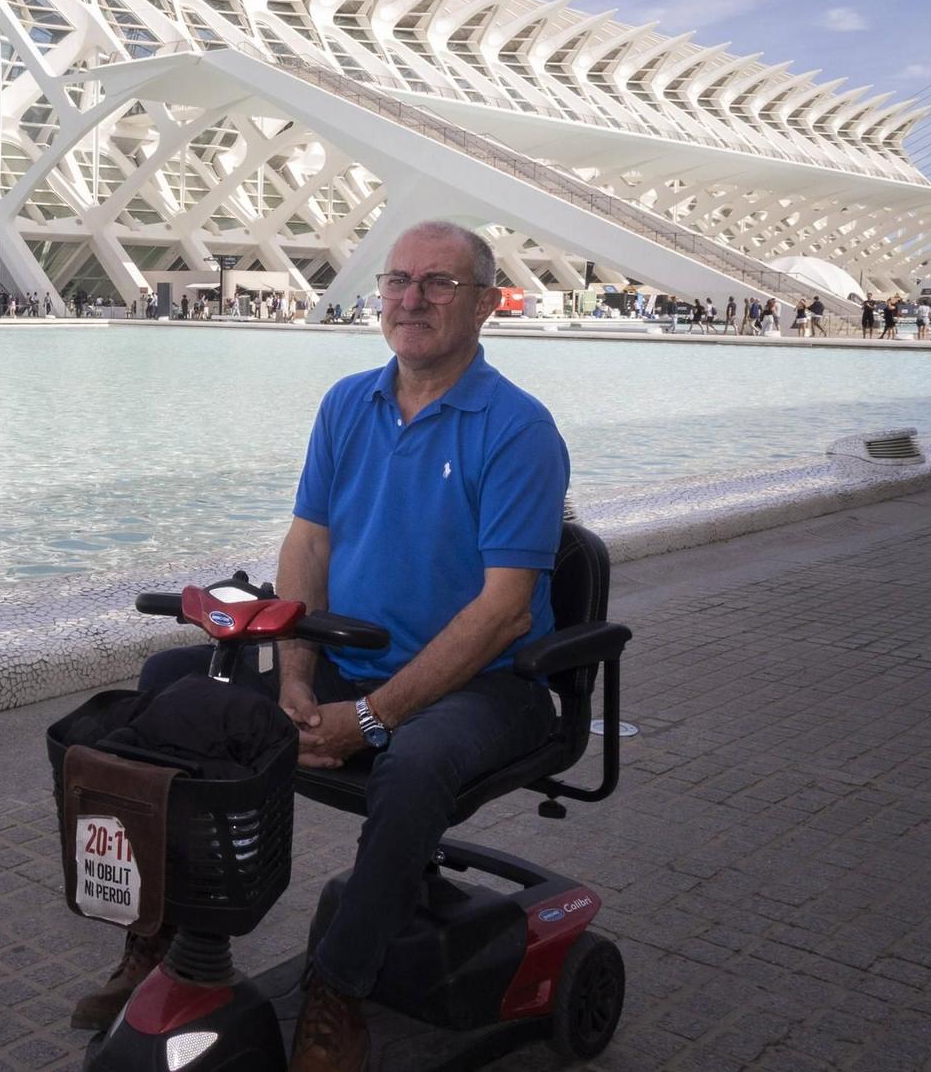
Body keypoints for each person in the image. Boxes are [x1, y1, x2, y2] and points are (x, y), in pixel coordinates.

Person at [70, 222, 565, 1072]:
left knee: (413, 763)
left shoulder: (519, 430)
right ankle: (162, 937)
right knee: (169, 690)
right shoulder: (347, 404)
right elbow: (309, 544)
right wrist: (294, 677)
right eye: (398, 280)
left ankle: (339, 985)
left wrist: (369, 718)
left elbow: (503, 613)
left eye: (439, 283)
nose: (412, 298)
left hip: (488, 684)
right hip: (345, 663)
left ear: (486, 303)